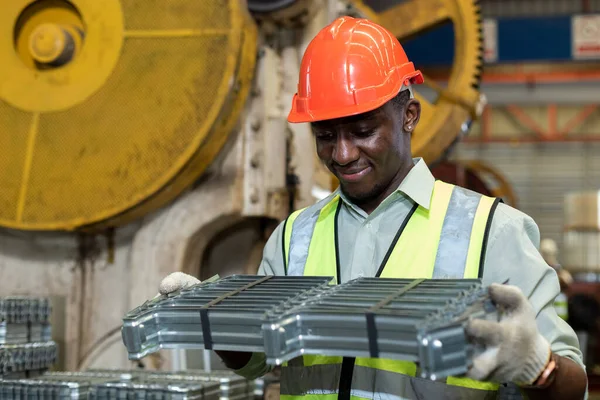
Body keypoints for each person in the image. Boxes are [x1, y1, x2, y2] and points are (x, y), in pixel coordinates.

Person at [159, 16, 587, 400]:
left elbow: (573, 384)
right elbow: (259, 360)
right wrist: (215, 320)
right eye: (325, 136)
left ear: (409, 115)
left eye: (363, 131)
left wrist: (540, 368)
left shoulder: (493, 231)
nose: (342, 154)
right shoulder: (292, 238)